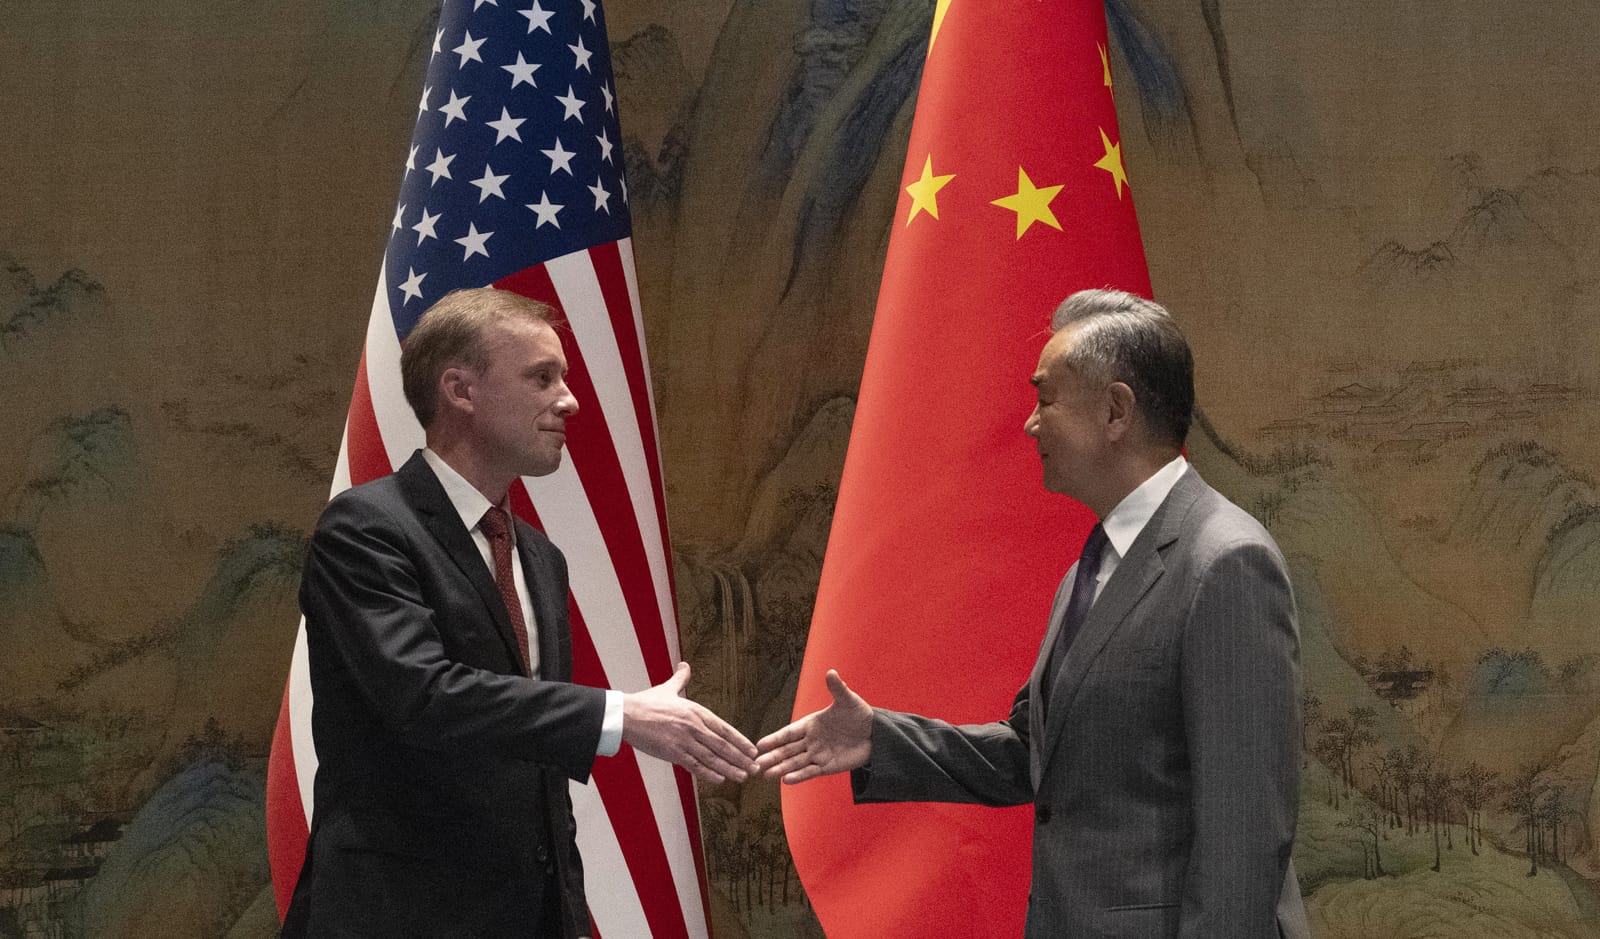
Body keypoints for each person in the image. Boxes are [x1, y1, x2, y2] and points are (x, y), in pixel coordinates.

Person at [757, 289, 1311, 938]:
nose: (1029, 422)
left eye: (1046, 397)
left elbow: (1244, 844)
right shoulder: (1090, 568)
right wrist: (880, 737)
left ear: (1115, 410)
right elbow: (1034, 751)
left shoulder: (1225, 562)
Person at [282, 287, 757, 938]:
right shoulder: (366, 529)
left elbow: (533, 770)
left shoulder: (538, 557)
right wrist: (620, 714)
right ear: (460, 389)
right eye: (542, 377)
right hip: (398, 915)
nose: (569, 400)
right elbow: (424, 697)